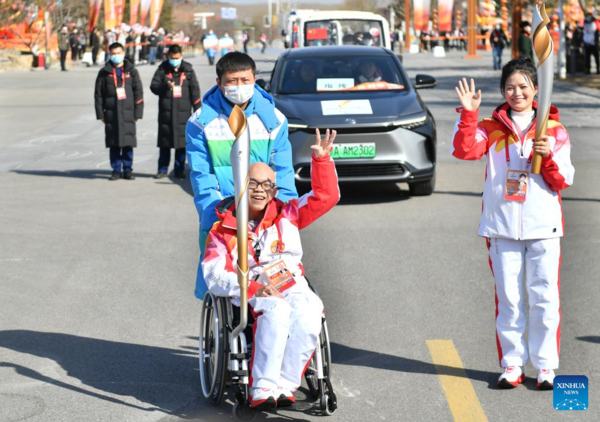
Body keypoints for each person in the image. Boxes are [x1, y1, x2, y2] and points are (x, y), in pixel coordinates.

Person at [451, 58, 574, 390]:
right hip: (501, 227)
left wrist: (547, 154)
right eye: (510, 87)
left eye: (523, 86)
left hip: (543, 228)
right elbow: (464, 150)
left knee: (545, 299)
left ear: (536, 89)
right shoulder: (489, 127)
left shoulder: (554, 130)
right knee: (509, 299)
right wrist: (469, 114)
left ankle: (546, 367)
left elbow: (562, 180)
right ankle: (512, 364)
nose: (516, 92)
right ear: (503, 91)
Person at [202, 129, 339, 409]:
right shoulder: (222, 229)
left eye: (268, 186)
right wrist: (253, 288)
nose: (261, 191)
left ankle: (286, 385)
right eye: (254, 184)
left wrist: (322, 161)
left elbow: (325, 197)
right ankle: (263, 387)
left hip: (289, 282)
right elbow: (214, 274)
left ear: (274, 190)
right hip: (251, 288)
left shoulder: (288, 212)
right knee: (277, 310)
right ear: (241, 184)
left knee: (311, 309)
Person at [185, 51, 298, 300]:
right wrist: (213, 213)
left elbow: (282, 170)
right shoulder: (200, 123)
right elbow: (202, 175)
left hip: (265, 216)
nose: (239, 86)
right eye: (232, 81)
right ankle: (229, 331)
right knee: (227, 282)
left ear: (255, 79)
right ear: (219, 83)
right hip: (224, 216)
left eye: (245, 80)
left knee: (279, 282)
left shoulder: (274, 120)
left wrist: (286, 212)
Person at [94, 42, 144, 181]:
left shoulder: (132, 71)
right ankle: (116, 170)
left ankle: (128, 170)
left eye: (119, 53)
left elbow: (138, 92)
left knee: (128, 142)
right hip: (111, 112)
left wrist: (137, 113)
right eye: (114, 54)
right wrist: (100, 113)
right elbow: (98, 95)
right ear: (110, 55)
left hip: (129, 113)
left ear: (123, 53)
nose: (116, 56)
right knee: (114, 143)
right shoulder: (104, 72)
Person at [150, 44, 202, 179]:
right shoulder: (162, 69)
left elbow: (195, 92)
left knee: (181, 144)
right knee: (164, 144)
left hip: (183, 113)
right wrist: (165, 86)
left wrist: (198, 112)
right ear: (168, 57)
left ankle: (179, 170)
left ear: (181, 56)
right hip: (166, 113)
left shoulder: (188, 70)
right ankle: (162, 169)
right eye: (172, 58)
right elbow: (154, 87)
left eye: (177, 58)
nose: (175, 60)